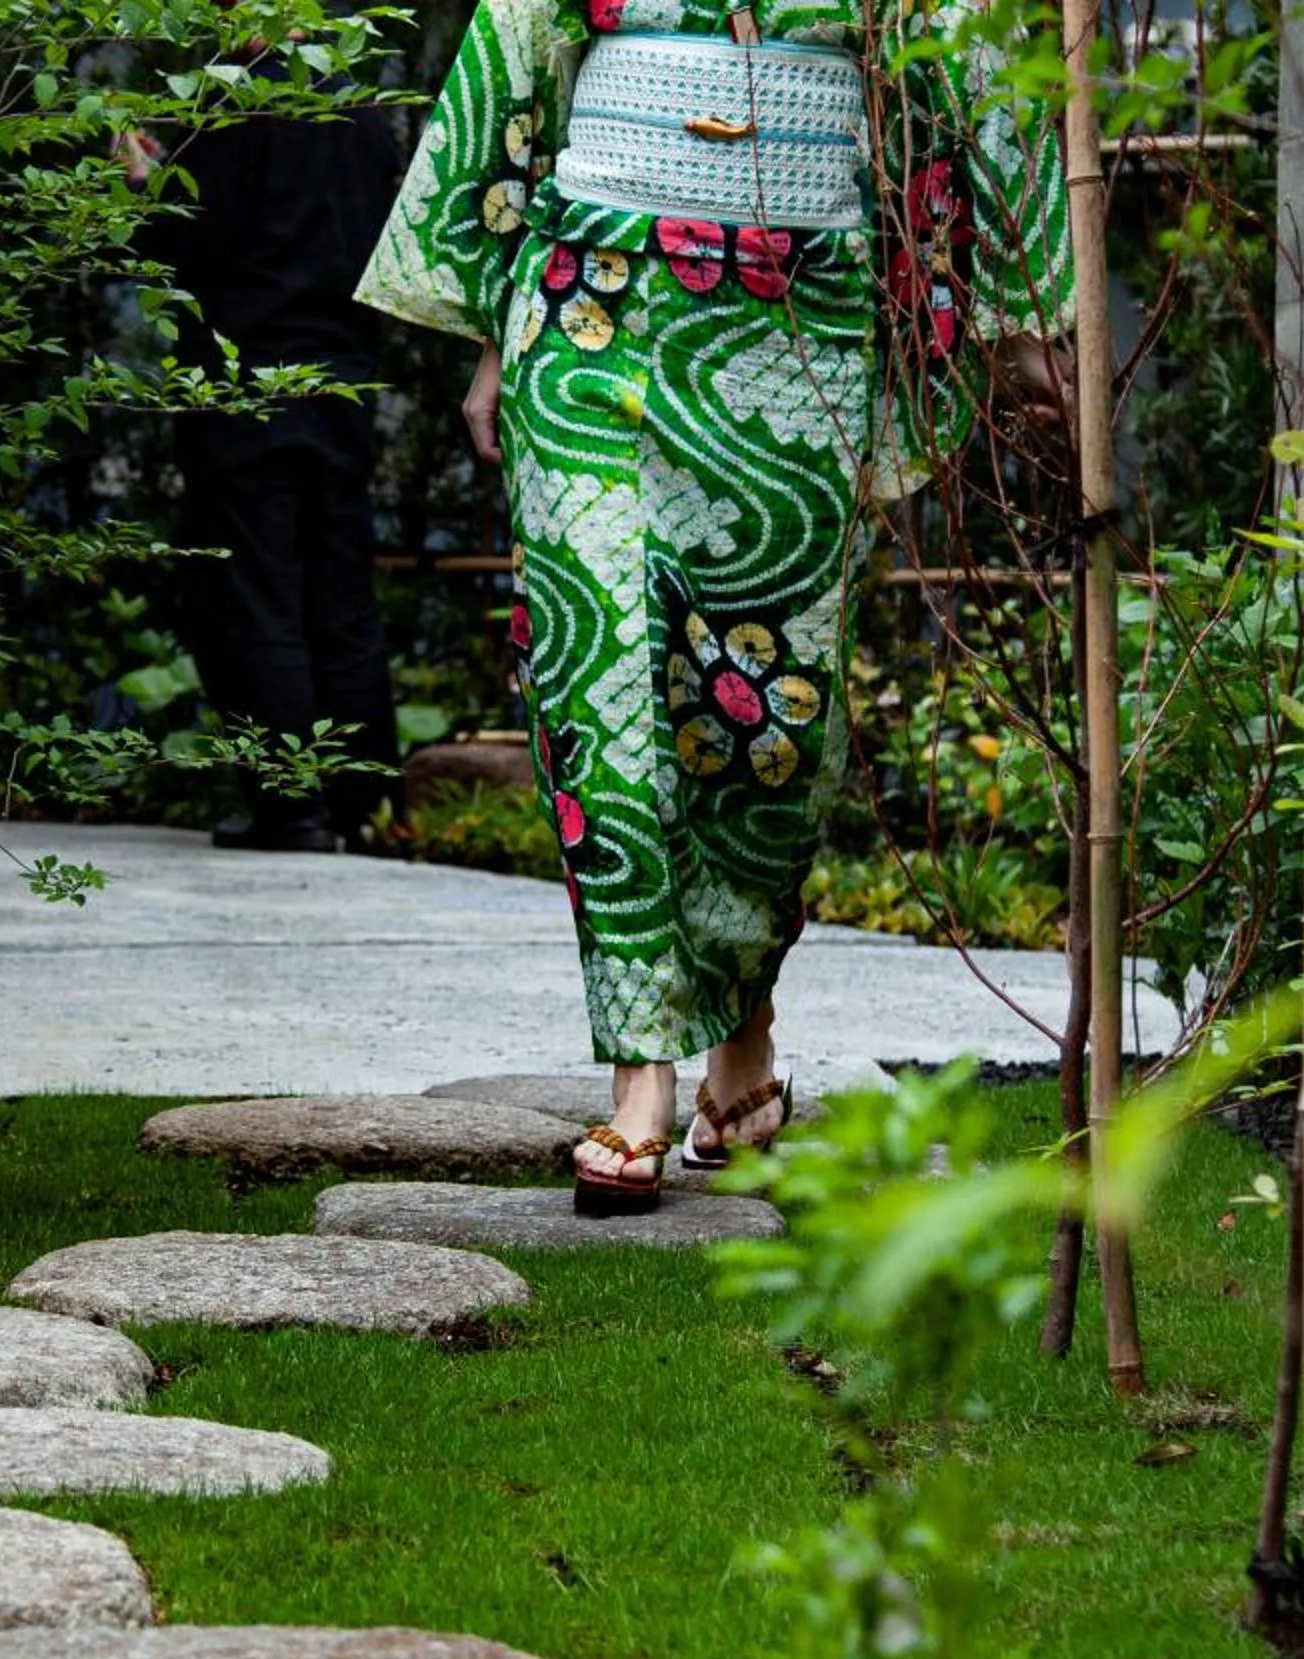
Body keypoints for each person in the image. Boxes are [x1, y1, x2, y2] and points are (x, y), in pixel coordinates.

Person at [353, 0, 1069, 1212]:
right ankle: (643, 1072)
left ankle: (741, 1037)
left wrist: (1011, 322)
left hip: (800, 320)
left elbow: (969, 58)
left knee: (772, 721)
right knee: (598, 680)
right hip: (591, 308)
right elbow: (516, 65)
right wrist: (490, 337)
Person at [131, 60, 406, 853]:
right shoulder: (361, 113)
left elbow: (185, 245)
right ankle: (361, 799)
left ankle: (291, 808)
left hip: (247, 381)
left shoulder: (238, 111)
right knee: (339, 590)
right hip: (343, 377)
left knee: (255, 593)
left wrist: (142, 184)